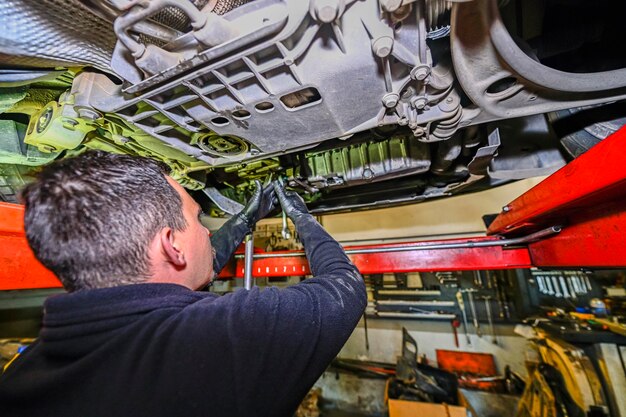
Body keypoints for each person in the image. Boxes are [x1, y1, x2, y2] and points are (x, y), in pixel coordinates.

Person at [0, 151, 367, 417]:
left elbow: (180, 278)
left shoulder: (24, 373)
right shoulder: (228, 338)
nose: (207, 232)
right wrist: (302, 216)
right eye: (199, 219)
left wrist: (243, 221)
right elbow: (344, 287)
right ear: (171, 244)